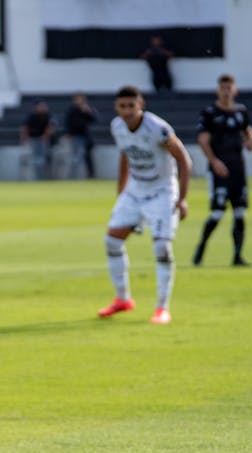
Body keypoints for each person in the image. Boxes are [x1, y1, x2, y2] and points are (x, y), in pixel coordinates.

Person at [97, 85, 191, 325]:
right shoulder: (117, 126)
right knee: (112, 241)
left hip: (162, 191)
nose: (127, 111)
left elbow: (183, 158)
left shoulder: (157, 129)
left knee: (161, 248)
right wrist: (121, 192)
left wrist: (182, 199)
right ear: (116, 107)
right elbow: (125, 156)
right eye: (122, 106)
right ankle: (123, 299)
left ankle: (162, 308)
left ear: (141, 105)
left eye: (131, 105)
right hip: (135, 190)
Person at [193, 75, 252, 267]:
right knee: (217, 213)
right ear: (218, 90)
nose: (226, 91)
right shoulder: (210, 112)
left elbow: (248, 131)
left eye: (229, 87)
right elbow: (203, 140)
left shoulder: (241, 111)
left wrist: (251, 140)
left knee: (240, 212)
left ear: (235, 90)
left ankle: (237, 256)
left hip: (238, 169)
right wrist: (214, 161)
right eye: (223, 87)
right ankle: (200, 250)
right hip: (219, 170)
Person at [64, 93, 97, 179]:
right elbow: (68, 123)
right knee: (76, 157)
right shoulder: (71, 110)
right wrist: (69, 133)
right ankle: (73, 176)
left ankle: (91, 175)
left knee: (87, 157)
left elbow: (93, 119)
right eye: (77, 99)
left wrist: (87, 111)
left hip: (85, 136)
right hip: (76, 136)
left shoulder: (86, 109)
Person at [20, 99, 54, 180]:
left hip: (43, 141)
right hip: (34, 140)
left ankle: (43, 177)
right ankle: (37, 178)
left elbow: (50, 127)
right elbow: (25, 128)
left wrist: (45, 136)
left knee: (43, 160)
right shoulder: (31, 116)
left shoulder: (47, 116)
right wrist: (25, 138)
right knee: (36, 160)